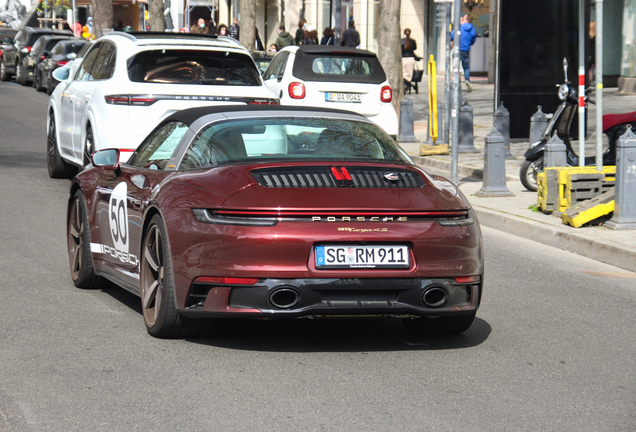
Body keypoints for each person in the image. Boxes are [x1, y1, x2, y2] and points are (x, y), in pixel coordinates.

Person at [450, 14, 477, 92]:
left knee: (456, 67)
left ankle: (456, 81)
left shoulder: (459, 27)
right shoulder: (473, 30)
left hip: (457, 50)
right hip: (466, 50)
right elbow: (472, 41)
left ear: (465, 20)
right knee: (466, 67)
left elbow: (451, 36)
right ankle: (467, 80)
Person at [401, 28, 418, 93]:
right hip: (410, 58)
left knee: (404, 74)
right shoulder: (412, 41)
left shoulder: (401, 41)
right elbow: (414, 48)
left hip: (403, 59)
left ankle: (404, 85)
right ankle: (407, 86)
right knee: (409, 75)